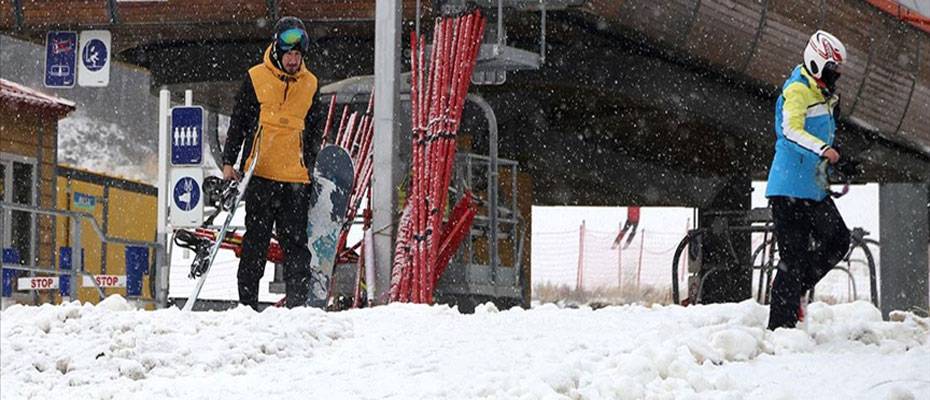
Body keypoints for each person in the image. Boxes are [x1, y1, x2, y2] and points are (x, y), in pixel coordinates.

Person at [222, 16, 325, 309]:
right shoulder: (256, 77)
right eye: (289, 54)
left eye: (298, 55)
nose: (293, 60)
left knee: (295, 246)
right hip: (260, 174)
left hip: (295, 179)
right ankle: (247, 305)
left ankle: (297, 306)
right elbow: (239, 122)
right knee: (256, 243)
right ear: (277, 51)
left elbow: (315, 128)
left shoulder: (311, 84)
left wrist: (309, 162)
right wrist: (230, 161)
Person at [765, 30, 851, 330]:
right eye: (832, 71)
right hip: (787, 187)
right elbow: (789, 130)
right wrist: (824, 149)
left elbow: (824, 134)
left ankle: (795, 286)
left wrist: (839, 155)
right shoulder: (798, 90)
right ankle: (780, 328)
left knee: (839, 240)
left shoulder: (823, 94)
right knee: (793, 257)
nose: (836, 77)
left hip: (813, 189)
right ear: (816, 64)